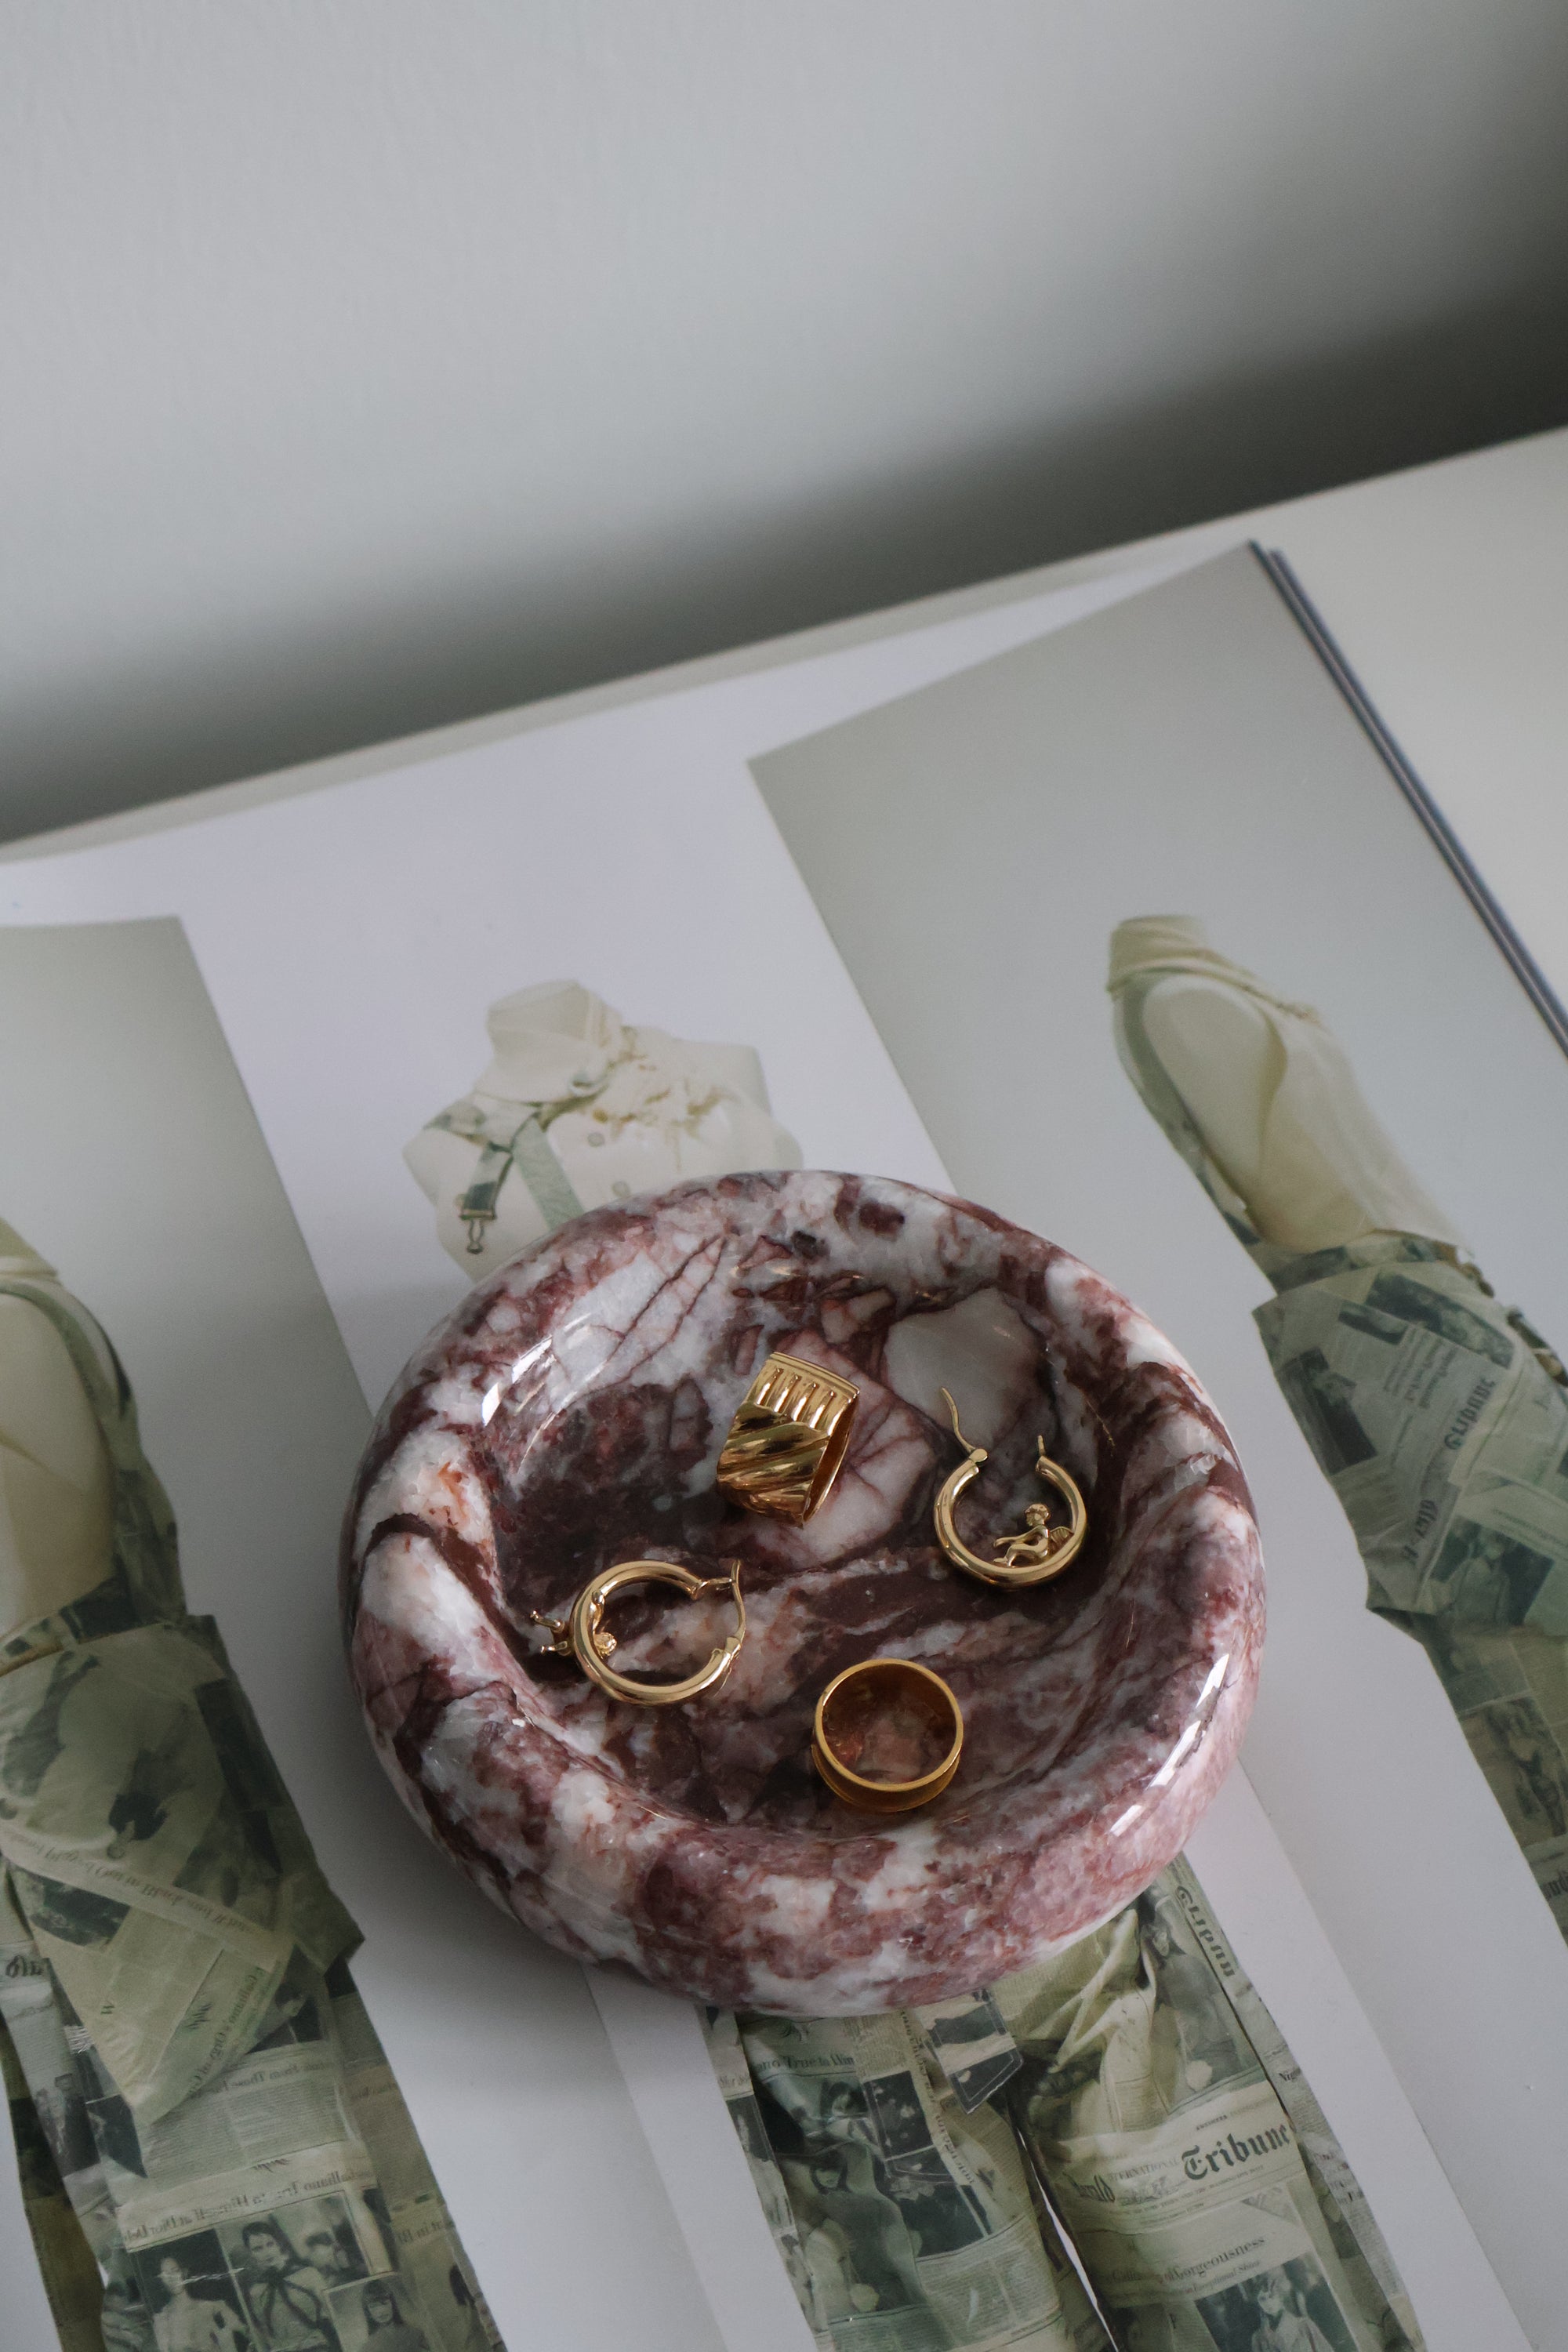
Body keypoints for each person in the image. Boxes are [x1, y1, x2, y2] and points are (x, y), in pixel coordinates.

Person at [238, 2220, 342, 2351]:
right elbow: (263, 2336)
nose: (267, 2252)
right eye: (258, 2249)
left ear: (278, 2244)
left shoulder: (308, 2274)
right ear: (250, 2253)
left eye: (270, 2244)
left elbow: (333, 2316)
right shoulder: (255, 2291)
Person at [150, 2251, 249, 2352]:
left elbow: (249, 2332)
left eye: (175, 2271)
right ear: (160, 2280)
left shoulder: (213, 2307)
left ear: (183, 2272)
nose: (172, 2278)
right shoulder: (161, 2320)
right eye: (166, 2275)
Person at [1248, 2268, 1338, 2352]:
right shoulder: (1258, 2338)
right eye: (1262, 2299)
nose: (1268, 2303)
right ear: (1258, 2303)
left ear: (1281, 2297)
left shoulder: (1305, 2325)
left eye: (1272, 2296)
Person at [358, 2280, 428, 2350]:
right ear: (368, 2311)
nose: (380, 2311)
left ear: (393, 2304)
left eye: (384, 2303)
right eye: (373, 2306)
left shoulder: (415, 2334)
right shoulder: (368, 2347)